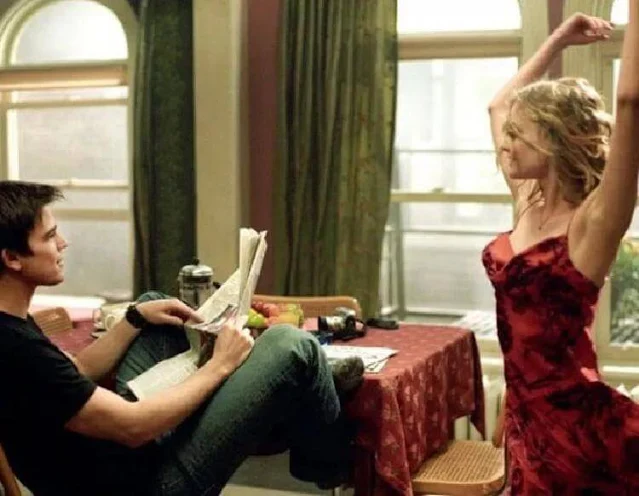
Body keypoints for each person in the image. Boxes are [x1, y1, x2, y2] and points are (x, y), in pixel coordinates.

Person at [0, 180, 363, 496]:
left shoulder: (12, 323)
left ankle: (290, 391)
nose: (63, 243)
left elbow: (76, 370)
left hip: (126, 458)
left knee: (155, 308)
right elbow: (132, 426)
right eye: (50, 236)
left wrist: (135, 317)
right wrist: (220, 365)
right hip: (147, 484)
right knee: (292, 345)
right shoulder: (16, 349)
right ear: (12, 258)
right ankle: (326, 463)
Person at [483, 5, 639, 494]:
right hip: (524, 419)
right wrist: (559, 40)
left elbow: (630, 101)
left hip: (576, 435)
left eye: (518, 134)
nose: (505, 143)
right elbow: (498, 105)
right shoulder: (527, 199)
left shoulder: (593, 223)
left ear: (552, 141)